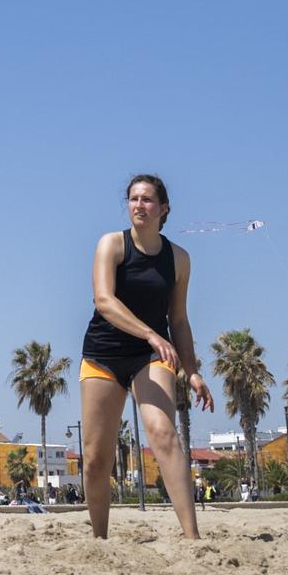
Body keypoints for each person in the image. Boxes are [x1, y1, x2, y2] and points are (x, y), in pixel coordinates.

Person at [80, 174, 215, 541]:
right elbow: (104, 301)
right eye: (133, 199)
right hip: (102, 356)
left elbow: (180, 319)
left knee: (163, 433)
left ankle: (192, 539)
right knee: (95, 460)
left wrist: (192, 372)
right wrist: (151, 333)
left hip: (150, 358)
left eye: (148, 200)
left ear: (164, 209)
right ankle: (100, 540)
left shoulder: (178, 259)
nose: (139, 205)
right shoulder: (112, 244)